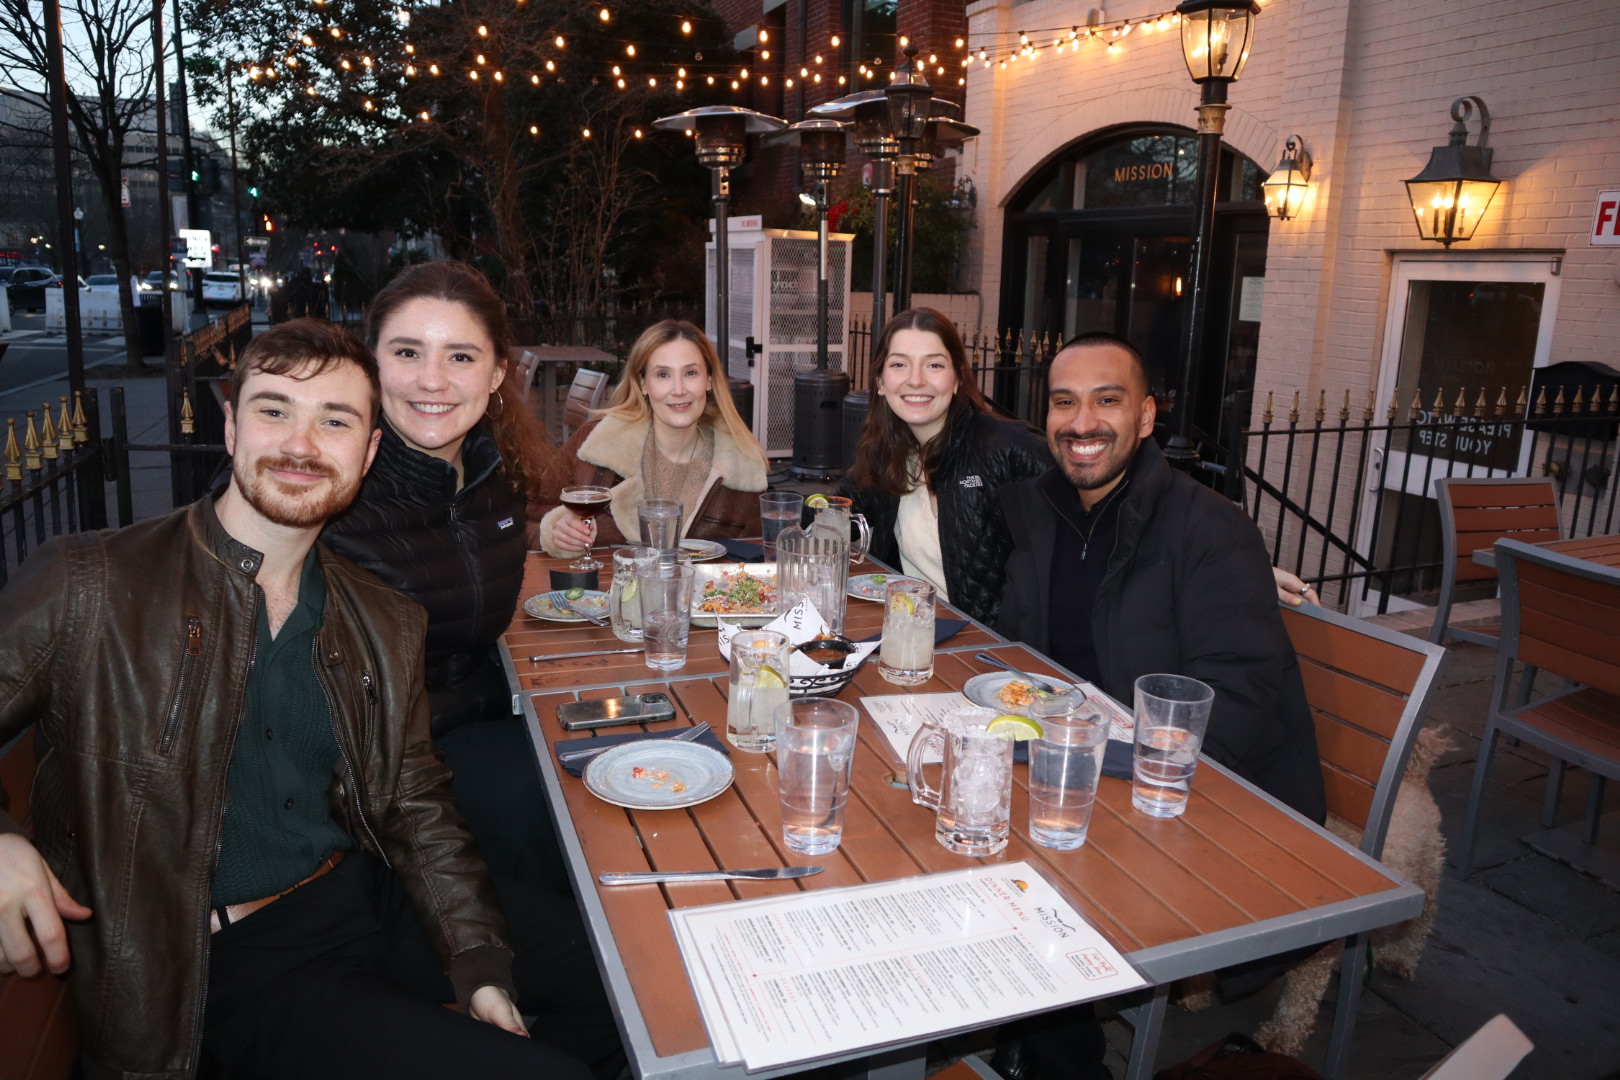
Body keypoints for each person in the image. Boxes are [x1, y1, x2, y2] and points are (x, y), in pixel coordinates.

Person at [0, 320, 596, 1080]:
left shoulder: (381, 616)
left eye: (335, 421)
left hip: (363, 892)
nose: (301, 445)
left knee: (627, 975)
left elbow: (414, 800)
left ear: (368, 453)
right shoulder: (94, 581)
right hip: (225, 956)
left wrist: (475, 955)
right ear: (231, 427)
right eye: (274, 409)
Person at [997, 331, 1325, 821]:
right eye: (1064, 402)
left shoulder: (1212, 529)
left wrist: (1096, 766)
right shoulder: (1036, 512)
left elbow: (1230, 710)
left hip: (1199, 800)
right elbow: (1020, 652)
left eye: (1107, 400)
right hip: (1070, 770)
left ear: (1146, 416)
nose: (1081, 423)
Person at [843, 308, 1049, 625]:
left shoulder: (1008, 448)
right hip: (915, 630)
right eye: (899, 364)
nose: (916, 380)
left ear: (958, 379)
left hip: (994, 646)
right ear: (880, 381)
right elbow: (836, 514)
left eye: (934, 365)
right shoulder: (885, 453)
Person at [533, 319, 767, 556]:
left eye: (690, 373)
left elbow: (755, 557)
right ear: (643, 384)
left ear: (708, 380)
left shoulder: (743, 467)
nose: (678, 390)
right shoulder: (595, 444)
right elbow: (524, 521)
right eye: (663, 374)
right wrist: (555, 532)